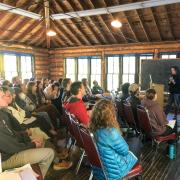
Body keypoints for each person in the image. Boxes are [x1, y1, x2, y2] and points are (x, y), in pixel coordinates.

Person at [0, 86, 54, 178]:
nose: (9, 97)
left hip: (10, 151)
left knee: (40, 140)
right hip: (5, 159)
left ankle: (34, 174)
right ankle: (36, 177)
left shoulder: (2, 113)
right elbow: (10, 146)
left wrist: (26, 137)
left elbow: (12, 133)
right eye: (2, 96)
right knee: (49, 153)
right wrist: (31, 144)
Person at [90, 99, 138, 179]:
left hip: (100, 168)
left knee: (133, 142)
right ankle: (135, 171)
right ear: (110, 114)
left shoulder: (92, 128)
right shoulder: (111, 131)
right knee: (136, 142)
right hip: (114, 171)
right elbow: (125, 151)